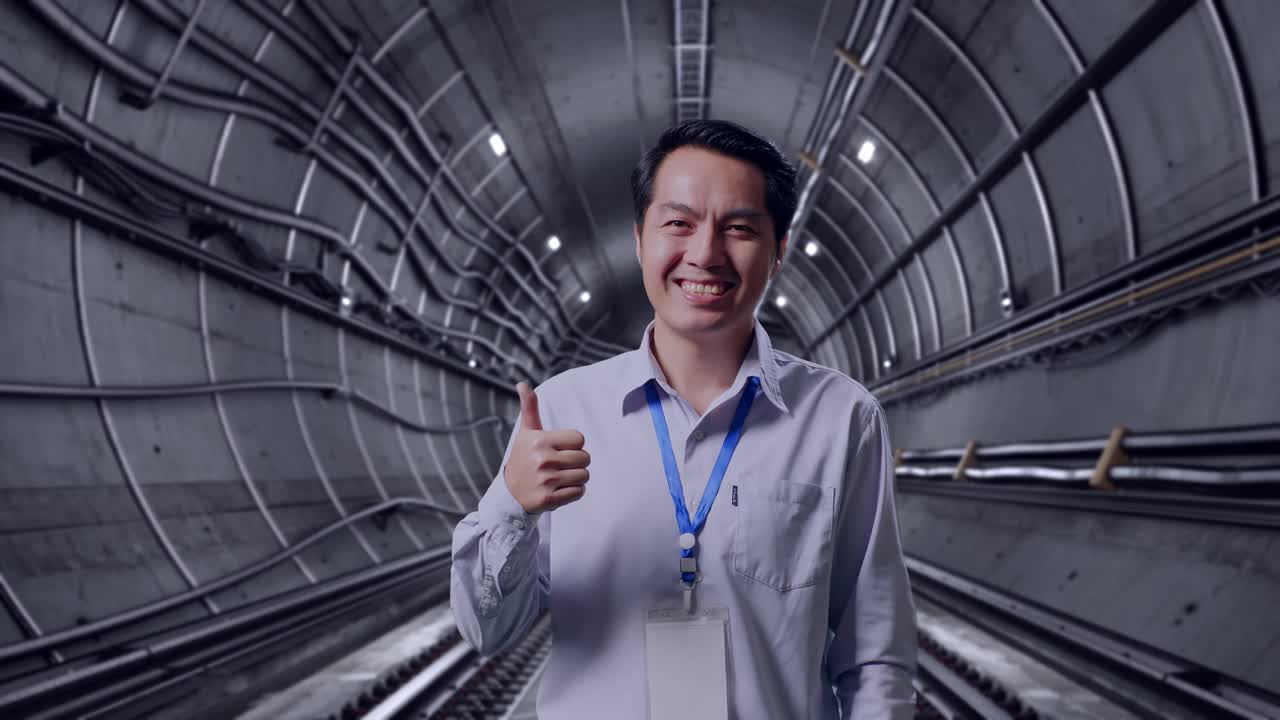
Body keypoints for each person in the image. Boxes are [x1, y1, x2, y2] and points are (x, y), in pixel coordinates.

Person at [451, 119, 915, 718]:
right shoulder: (563, 410)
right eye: (679, 223)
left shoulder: (841, 420)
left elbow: (875, 654)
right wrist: (511, 507)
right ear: (640, 239)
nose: (705, 253)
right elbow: (486, 630)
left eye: (739, 228)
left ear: (778, 251)